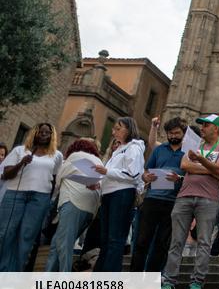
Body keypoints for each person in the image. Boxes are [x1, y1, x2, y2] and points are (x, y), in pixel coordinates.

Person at [161, 114, 219, 289]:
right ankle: (168, 283)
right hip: (184, 197)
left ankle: (196, 284)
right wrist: (211, 170)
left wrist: (201, 160)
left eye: (206, 125)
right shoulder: (193, 146)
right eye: (202, 125)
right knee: (176, 242)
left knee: (204, 242)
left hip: (209, 199)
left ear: (216, 129)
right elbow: (185, 165)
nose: (202, 128)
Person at [0, 123, 63, 272]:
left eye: (47, 133)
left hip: (40, 199)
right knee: (6, 233)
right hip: (15, 194)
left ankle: (14, 276)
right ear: (34, 133)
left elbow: (54, 179)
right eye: (41, 132)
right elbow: (6, 175)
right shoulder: (19, 150)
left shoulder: (57, 155)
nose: (43, 135)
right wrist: (21, 163)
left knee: (26, 237)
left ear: (52, 136)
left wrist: (48, 201)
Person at [131, 116, 187, 272]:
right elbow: (145, 172)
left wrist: (179, 178)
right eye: (170, 133)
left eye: (176, 133)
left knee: (162, 244)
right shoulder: (159, 149)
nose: (173, 136)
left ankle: (152, 279)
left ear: (183, 133)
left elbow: (192, 176)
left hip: (174, 202)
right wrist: (146, 177)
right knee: (142, 240)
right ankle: (135, 278)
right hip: (152, 199)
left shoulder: (189, 152)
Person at [93, 117, 145, 272]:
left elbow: (132, 174)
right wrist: (99, 183)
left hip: (122, 195)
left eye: (118, 128)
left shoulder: (133, 148)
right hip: (109, 195)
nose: (113, 131)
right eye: (114, 128)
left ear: (129, 129)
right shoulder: (119, 149)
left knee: (115, 239)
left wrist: (106, 171)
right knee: (105, 239)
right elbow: (111, 174)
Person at [44, 139, 101, 271]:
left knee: (64, 245)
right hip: (90, 210)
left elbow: (58, 180)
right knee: (56, 244)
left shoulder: (75, 156)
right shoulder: (98, 161)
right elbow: (98, 184)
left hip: (73, 203)